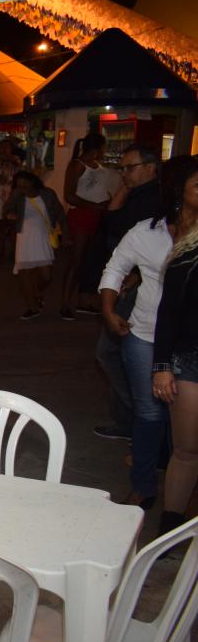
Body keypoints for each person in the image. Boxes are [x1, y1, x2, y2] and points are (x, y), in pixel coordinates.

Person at [98, 171, 184, 509]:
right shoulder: (147, 232)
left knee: (183, 422)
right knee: (149, 413)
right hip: (146, 332)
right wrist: (108, 308)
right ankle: (143, 485)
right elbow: (116, 267)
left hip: (188, 342)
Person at [93, 144, 162, 441]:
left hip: (145, 294)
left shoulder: (159, 200)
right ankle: (132, 420)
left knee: (112, 353)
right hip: (123, 279)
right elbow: (112, 223)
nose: (124, 173)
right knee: (112, 353)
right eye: (121, 168)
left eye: (130, 167)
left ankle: (139, 419)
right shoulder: (136, 197)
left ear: (150, 167)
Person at [152, 155, 198, 537]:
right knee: (186, 448)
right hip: (190, 358)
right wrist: (162, 365)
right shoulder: (189, 249)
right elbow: (168, 313)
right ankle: (171, 527)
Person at [61, 133, 121, 319]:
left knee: (91, 261)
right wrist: (96, 205)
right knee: (76, 260)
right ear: (98, 148)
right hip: (82, 214)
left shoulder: (99, 167)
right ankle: (65, 303)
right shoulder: (78, 165)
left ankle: (83, 300)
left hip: (97, 215)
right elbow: (69, 196)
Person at [4, 171, 65, 319]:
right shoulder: (17, 195)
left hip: (43, 235)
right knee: (25, 271)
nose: (23, 188)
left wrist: (66, 233)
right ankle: (32, 307)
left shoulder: (48, 194)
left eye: (25, 184)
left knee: (46, 275)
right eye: (20, 185)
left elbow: (59, 213)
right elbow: (7, 210)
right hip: (24, 235)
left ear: (33, 182)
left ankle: (37, 293)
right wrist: (11, 215)